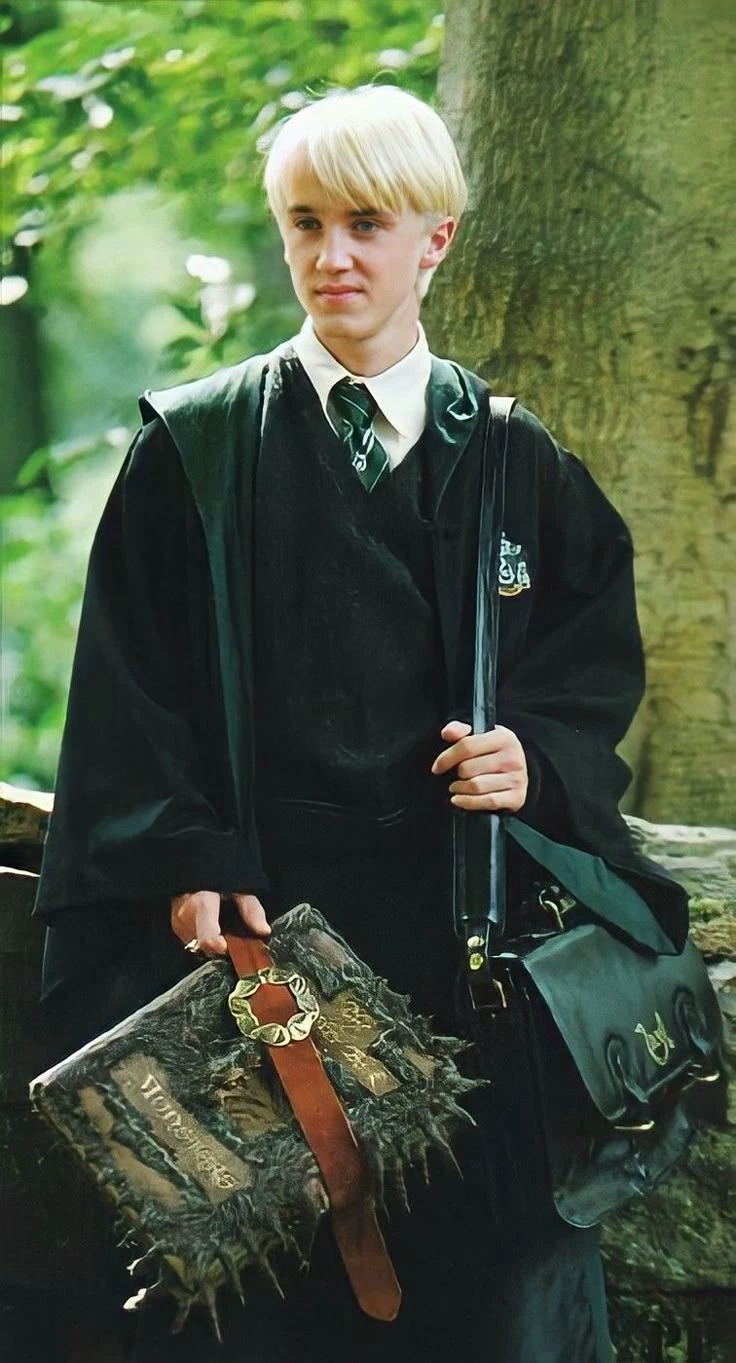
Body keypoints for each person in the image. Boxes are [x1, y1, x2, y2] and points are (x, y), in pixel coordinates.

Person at [35, 85, 688, 1362]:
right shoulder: (198, 451)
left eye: (367, 225)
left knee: (483, 1306)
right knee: (272, 1316)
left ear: (434, 239)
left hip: (464, 948)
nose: (333, 255)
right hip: (260, 952)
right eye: (306, 223)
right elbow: (128, 689)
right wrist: (185, 857)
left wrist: (532, 757)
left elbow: (587, 663)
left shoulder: (513, 458)